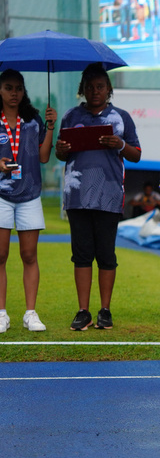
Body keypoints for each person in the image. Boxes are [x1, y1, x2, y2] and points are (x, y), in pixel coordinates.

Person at [55, 63, 141, 331]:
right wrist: (61, 148)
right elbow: (61, 154)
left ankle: (105, 310)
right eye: (90, 87)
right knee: (81, 255)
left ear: (109, 89)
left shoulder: (121, 117)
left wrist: (121, 145)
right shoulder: (70, 116)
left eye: (100, 86)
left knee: (106, 255)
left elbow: (136, 154)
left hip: (109, 196)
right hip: (77, 196)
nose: (95, 91)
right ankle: (83, 312)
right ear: (82, 89)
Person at [0, 70, 56, 333]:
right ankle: (1, 314)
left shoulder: (33, 120)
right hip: (1, 195)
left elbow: (44, 157)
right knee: (0, 256)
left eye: (19, 88)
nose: (14, 93)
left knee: (29, 255)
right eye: (9, 88)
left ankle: (30, 314)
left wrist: (51, 127)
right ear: (0, 90)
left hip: (30, 194)